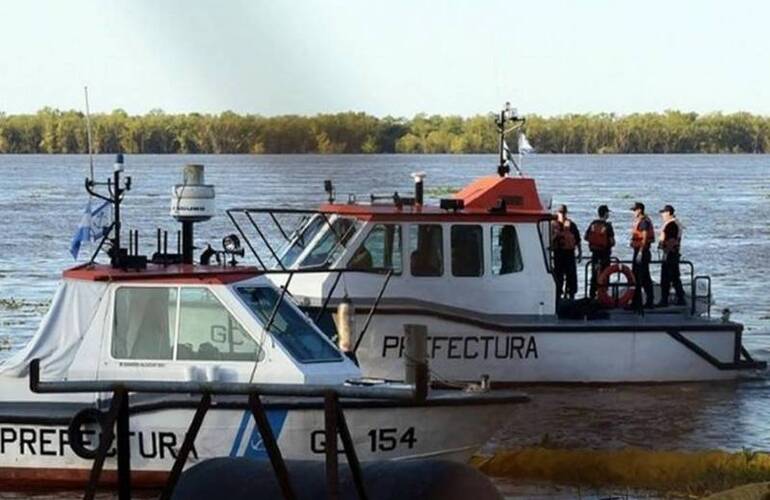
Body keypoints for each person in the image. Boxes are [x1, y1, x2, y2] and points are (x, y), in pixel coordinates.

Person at [657, 204, 686, 306]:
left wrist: (665, 249)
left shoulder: (671, 225)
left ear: (669, 213)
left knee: (666, 278)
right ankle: (681, 299)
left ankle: (664, 300)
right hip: (673, 253)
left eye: (663, 213)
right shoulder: (674, 224)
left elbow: (671, 241)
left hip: (670, 254)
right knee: (674, 277)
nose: (662, 215)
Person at [584, 205, 615, 298]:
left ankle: (592, 295)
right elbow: (612, 241)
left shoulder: (593, 224)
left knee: (594, 275)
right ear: (605, 214)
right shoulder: (608, 226)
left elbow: (586, 237)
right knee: (605, 275)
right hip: (605, 255)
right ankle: (603, 296)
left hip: (595, 254)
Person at [551, 205, 581, 300]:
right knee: (559, 276)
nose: (562, 214)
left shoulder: (571, 225)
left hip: (569, 253)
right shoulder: (552, 225)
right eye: (560, 212)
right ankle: (558, 295)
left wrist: (580, 253)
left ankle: (571, 295)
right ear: (557, 213)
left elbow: (578, 240)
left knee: (571, 275)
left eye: (563, 212)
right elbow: (548, 241)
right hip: (558, 253)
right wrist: (556, 235)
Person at [629, 201, 655, 309]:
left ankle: (639, 302)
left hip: (642, 252)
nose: (633, 213)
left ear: (639, 210)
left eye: (634, 210)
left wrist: (640, 252)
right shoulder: (642, 221)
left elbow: (644, 238)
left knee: (639, 277)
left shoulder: (644, 222)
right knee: (644, 277)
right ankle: (644, 301)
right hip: (640, 251)